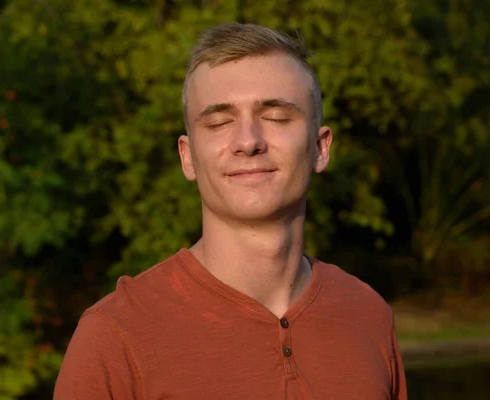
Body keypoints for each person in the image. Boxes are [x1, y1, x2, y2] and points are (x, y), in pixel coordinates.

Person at [54, 22, 407, 399]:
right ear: (187, 158)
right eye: (220, 122)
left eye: (276, 117)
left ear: (320, 147)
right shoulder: (115, 336)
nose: (248, 141)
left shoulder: (367, 316)